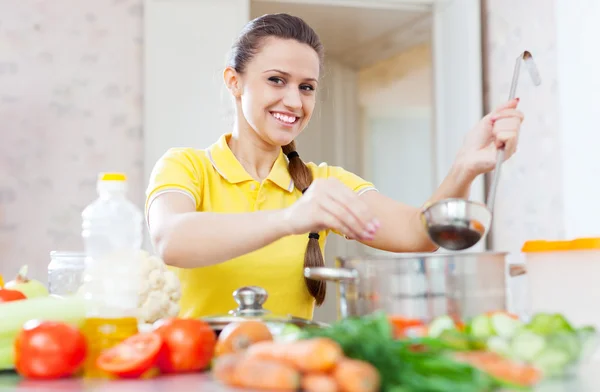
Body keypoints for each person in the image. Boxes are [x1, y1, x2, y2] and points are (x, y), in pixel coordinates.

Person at [145, 13, 525, 320]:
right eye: (276, 80)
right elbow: (172, 240)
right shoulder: (186, 166)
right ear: (235, 82)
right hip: (195, 373)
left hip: (292, 373)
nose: (293, 101)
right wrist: (291, 219)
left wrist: (465, 167)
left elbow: (416, 234)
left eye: (306, 87)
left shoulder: (323, 183)